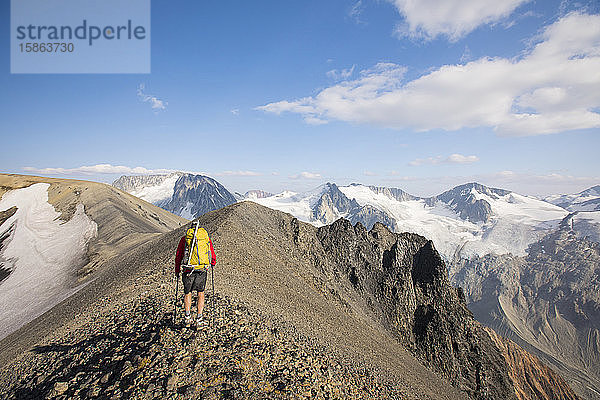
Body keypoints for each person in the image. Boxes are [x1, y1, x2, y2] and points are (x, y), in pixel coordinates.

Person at [174, 223, 216, 327]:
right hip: (201, 269)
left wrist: (177, 270)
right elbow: (211, 253)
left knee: (187, 293)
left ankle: (187, 317)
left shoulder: (185, 239)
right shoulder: (205, 238)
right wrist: (212, 263)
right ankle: (199, 318)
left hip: (188, 270)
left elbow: (179, 255)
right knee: (200, 293)